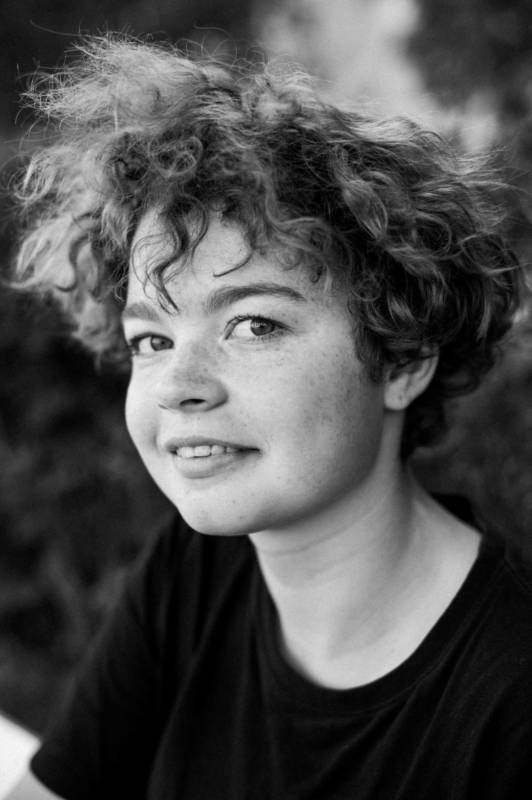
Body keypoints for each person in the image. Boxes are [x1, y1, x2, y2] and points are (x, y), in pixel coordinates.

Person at [6, 34, 531, 800]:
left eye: (254, 325)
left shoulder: (510, 696)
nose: (179, 386)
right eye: (152, 339)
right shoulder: (196, 572)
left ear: (404, 359)